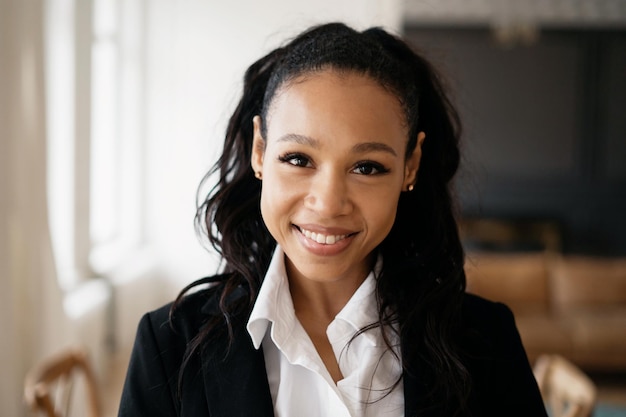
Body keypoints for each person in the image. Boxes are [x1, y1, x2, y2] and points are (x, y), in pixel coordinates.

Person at [118, 23, 548, 417]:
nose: (327, 204)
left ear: (410, 166)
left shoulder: (486, 341)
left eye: (367, 167)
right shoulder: (168, 345)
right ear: (259, 152)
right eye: (299, 158)